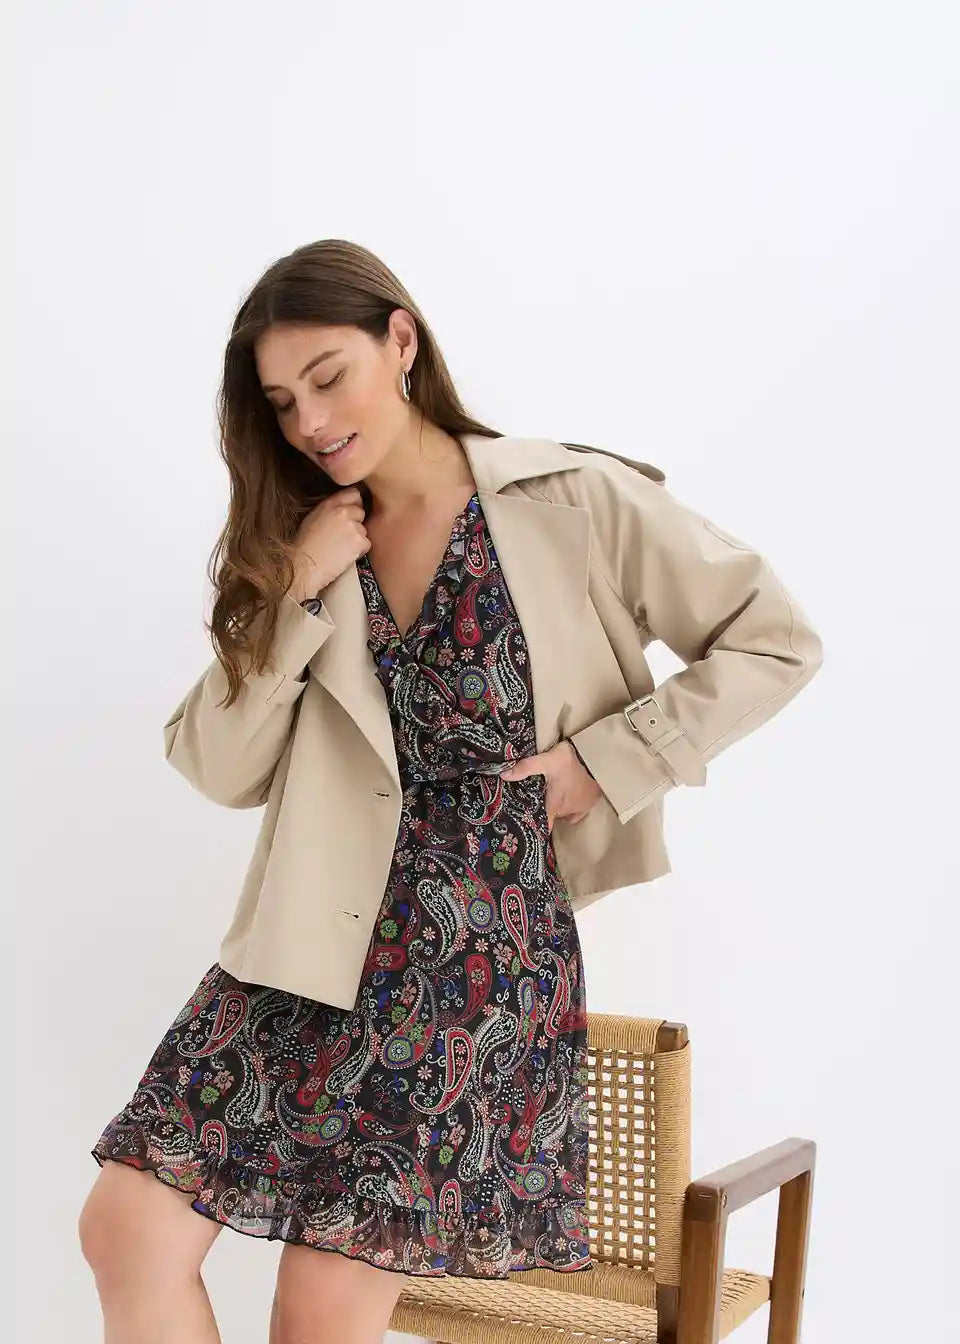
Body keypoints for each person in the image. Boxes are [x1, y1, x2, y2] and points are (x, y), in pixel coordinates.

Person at [78, 239, 607, 1344]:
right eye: (282, 403)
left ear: (400, 341)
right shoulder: (304, 540)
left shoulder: (562, 498)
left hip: (470, 966)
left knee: (319, 1313)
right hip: (309, 946)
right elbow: (218, 765)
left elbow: (772, 641)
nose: (311, 421)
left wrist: (612, 759)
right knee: (129, 1229)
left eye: (328, 377)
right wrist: (298, 591)